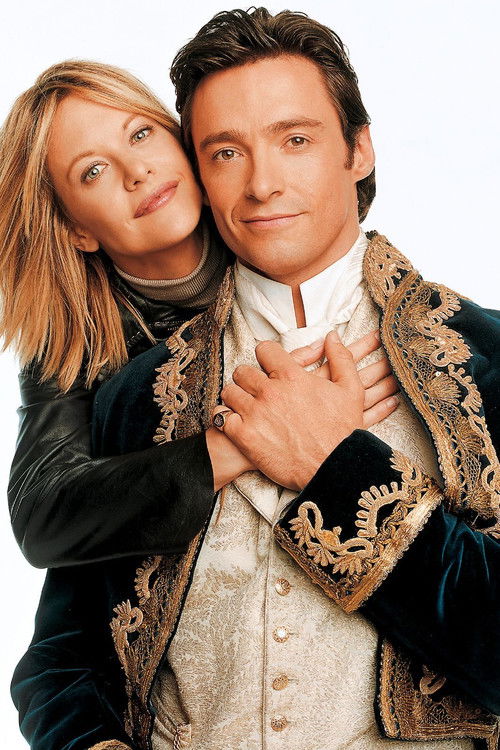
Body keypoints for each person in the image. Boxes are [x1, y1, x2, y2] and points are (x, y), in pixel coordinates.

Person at [10, 7, 500, 750]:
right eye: (226, 153)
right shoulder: (128, 393)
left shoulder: (484, 358)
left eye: (295, 140)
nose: (263, 184)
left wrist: (336, 466)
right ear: (201, 175)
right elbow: (63, 662)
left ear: (359, 149)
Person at [0, 59, 397, 570]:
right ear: (76, 230)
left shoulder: (272, 230)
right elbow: (41, 514)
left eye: (140, 134)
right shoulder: (77, 339)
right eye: (93, 171)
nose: (136, 172)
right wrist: (247, 440)